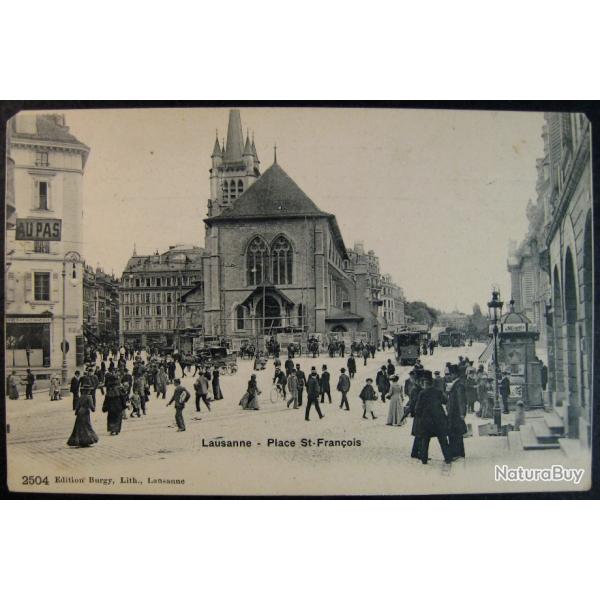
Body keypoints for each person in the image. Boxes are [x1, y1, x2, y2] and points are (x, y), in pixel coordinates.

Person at [414, 371, 452, 464]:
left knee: (425, 440)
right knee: (443, 440)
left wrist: (420, 415)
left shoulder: (422, 393)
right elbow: (445, 401)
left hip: (427, 420)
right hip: (439, 419)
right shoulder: (438, 392)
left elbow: (417, 408)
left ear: (425, 383)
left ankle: (424, 459)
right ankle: (448, 458)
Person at [67, 379, 98, 448]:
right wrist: (93, 409)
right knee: (87, 426)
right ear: (89, 390)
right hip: (86, 412)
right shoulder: (89, 397)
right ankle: (86, 441)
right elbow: (92, 407)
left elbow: (77, 406)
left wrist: (76, 412)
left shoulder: (81, 397)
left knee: (79, 427)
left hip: (79, 412)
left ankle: (79, 441)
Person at [447, 368, 467, 460]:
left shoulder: (458, 385)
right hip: (454, 413)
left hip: (455, 413)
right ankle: (459, 452)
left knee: (454, 433)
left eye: (451, 374)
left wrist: (462, 413)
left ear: (455, 374)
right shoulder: (456, 384)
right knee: (456, 433)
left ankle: (456, 453)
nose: (450, 376)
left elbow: (461, 400)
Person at [103, 368, 124, 435]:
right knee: (118, 418)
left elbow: (106, 399)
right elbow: (122, 397)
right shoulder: (119, 389)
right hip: (118, 406)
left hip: (111, 407)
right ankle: (116, 429)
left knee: (111, 418)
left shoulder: (109, 390)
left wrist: (104, 407)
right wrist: (124, 405)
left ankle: (112, 429)